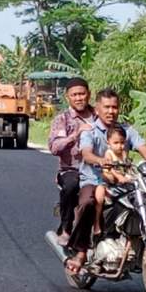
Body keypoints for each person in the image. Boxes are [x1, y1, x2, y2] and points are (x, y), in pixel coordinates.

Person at [65, 89, 146, 274]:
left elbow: (144, 150)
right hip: (94, 179)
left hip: (123, 181)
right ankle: (81, 251)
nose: (111, 111)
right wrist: (100, 160)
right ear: (98, 109)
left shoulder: (126, 130)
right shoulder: (90, 130)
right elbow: (86, 153)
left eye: (114, 107)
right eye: (106, 107)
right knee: (88, 203)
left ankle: (136, 243)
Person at [48, 77, 96, 246]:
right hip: (71, 169)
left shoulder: (99, 116)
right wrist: (75, 135)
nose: (78, 98)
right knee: (71, 186)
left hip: (100, 168)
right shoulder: (63, 120)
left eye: (81, 94)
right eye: (74, 95)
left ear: (88, 94)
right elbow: (54, 148)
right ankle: (66, 228)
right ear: (67, 97)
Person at [93, 126, 132, 237]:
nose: (120, 146)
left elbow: (128, 167)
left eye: (122, 142)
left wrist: (130, 175)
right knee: (99, 196)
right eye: (116, 143)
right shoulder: (109, 153)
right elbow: (111, 169)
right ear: (108, 142)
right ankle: (96, 223)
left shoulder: (124, 153)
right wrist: (119, 177)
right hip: (107, 182)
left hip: (121, 183)